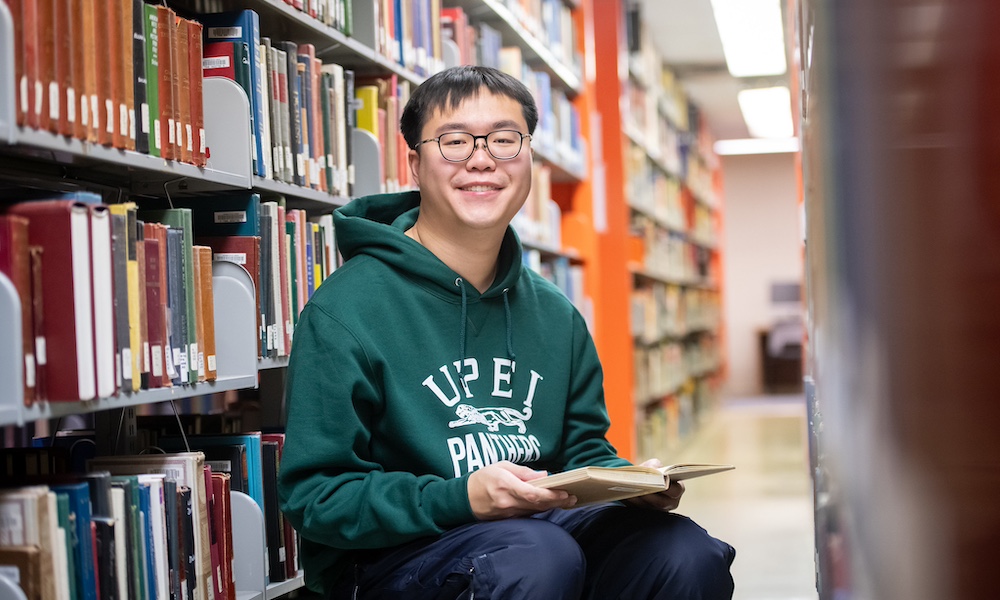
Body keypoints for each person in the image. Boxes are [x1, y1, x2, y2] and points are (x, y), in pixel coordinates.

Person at [278, 65, 735, 599]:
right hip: (395, 558)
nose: (481, 159)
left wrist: (629, 484)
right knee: (535, 557)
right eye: (454, 142)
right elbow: (316, 498)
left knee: (680, 551)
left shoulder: (556, 314)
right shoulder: (345, 311)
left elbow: (581, 449)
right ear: (415, 165)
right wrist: (461, 498)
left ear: (529, 160)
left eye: (504, 139)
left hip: (536, 535)